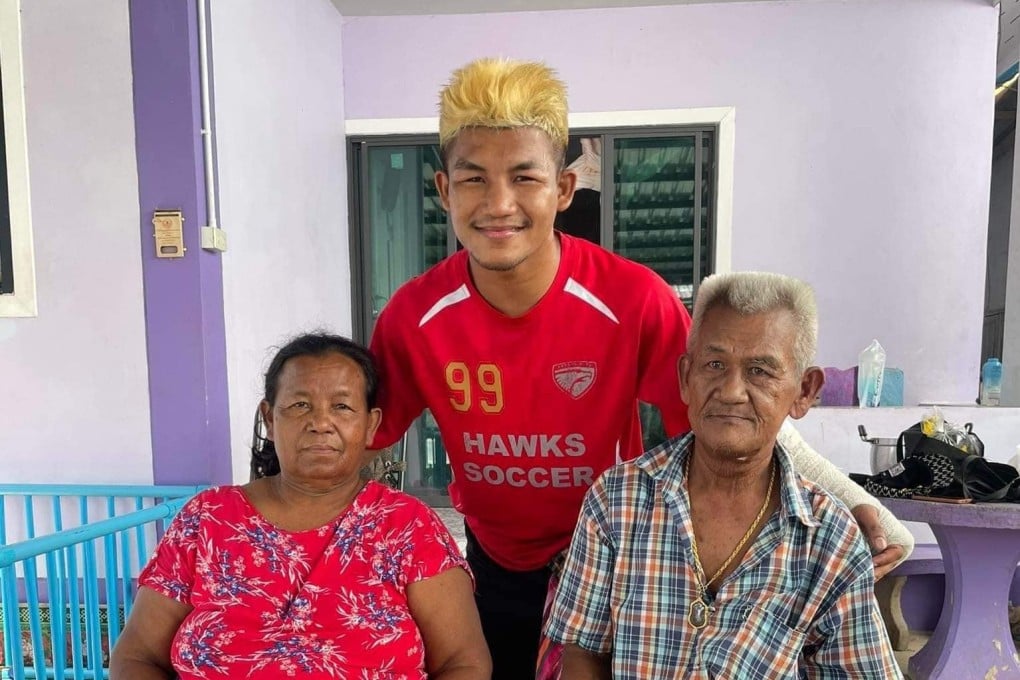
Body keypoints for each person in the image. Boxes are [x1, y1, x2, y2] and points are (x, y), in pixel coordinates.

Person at [368, 57, 911, 678]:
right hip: (494, 565)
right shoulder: (416, 316)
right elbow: (355, 439)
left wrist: (846, 501)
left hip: (617, 557)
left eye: (524, 177)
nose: (499, 204)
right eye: (473, 180)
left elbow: (729, 415)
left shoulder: (631, 300)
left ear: (564, 190)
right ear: (443, 191)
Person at [545, 272, 903, 678]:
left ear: (804, 391)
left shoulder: (828, 539)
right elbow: (583, 653)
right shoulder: (618, 501)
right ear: (685, 377)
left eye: (760, 371)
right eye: (714, 365)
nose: (731, 390)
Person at [110, 333, 491, 680]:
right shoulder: (207, 518)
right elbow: (137, 655)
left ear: (371, 425)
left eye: (342, 406)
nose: (320, 423)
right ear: (269, 419)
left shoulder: (407, 526)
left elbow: (463, 662)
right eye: (299, 405)